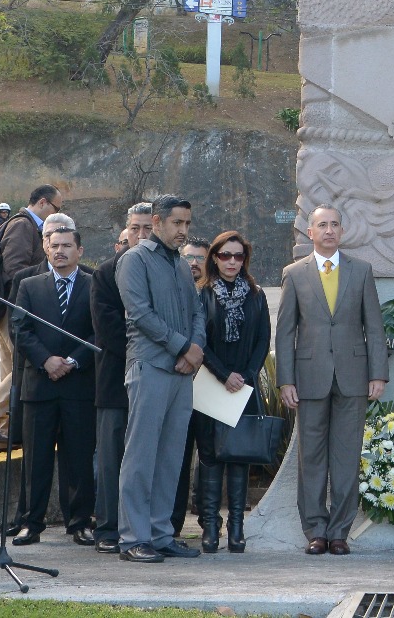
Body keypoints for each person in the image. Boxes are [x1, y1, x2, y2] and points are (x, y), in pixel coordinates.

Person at [276, 204, 388, 555]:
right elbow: (284, 332)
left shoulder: (361, 271)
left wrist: (378, 373)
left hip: (353, 377)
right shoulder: (294, 273)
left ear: (342, 231)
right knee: (310, 457)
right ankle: (315, 530)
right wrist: (285, 380)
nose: (328, 230)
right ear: (310, 232)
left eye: (334, 224)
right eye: (322, 224)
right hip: (308, 378)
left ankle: (339, 531)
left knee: (346, 455)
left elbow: (374, 327)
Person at [116, 194, 205, 562]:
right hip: (150, 367)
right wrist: (184, 347)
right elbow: (140, 315)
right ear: (157, 222)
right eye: (177, 223)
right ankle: (133, 538)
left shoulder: (182, 266)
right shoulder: (134, 260)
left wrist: (196, 348)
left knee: (170, 457)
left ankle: (160, 532)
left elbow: (197, 310)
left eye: (187, 223)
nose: (183, 230)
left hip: (182, 372)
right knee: (141, 456)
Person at [12, 226, 98, 546]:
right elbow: (20, 330)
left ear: (80, 251)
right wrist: (46, 360)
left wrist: (73, 361)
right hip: (40, 386)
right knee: (36, 459)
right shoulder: (29, 286)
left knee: (78, 459)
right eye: (54, 245)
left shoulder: (94, 285)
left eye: (67, 246)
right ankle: (30, 523)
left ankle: (79, 523)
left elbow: (100, 332)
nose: (59, 251)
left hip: (79, 387)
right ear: (46, 249)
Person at [192, 230, 272, 553]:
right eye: (226, 255)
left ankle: (236, 527)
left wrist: (247, 376)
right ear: (215, 257)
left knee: (240, 456)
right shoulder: (202, 294)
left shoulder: (256, 295)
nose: (232, 262)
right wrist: (223, 375)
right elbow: (200, 341)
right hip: (211, 384)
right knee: (210, 457)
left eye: (238, 256)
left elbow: (263, 339)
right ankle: (210, 526)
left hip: (244, 387)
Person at [0, 184, 63, 444]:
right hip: (12, 306)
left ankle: (3, 436)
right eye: (57, 208)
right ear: (44, 203)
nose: (57, 214)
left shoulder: (23, 224)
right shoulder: (23, 225)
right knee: (23, 364)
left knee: (9, 368)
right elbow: (15, 268)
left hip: (7, 305)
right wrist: (39, 290)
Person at [91, 201, 151, 553]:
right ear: (125, 232)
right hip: (115, 380)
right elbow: (108, 329)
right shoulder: (106, 272)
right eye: (135, 228)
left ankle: (145, 527)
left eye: (147, 228)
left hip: (155, 380)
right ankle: (108, 528)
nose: (141, 235)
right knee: (111, 457)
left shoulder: (163, 268)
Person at [171, 238, 214, 539]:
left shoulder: (215, 295)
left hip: (213, 386)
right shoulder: (173, 293)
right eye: (189, 258)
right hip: (178, 379)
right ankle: (171, 524)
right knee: (178, 454)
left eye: (201, 258)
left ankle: (210, 522)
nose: (194, 263)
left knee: (210, 456)